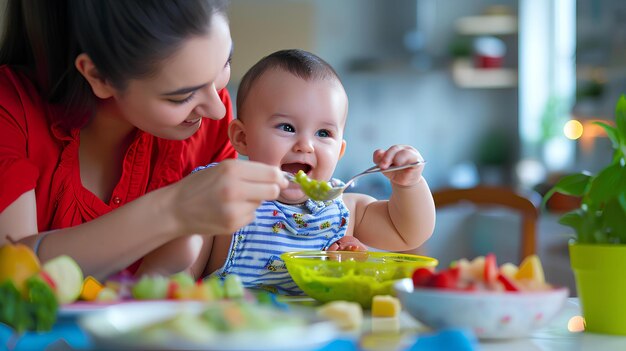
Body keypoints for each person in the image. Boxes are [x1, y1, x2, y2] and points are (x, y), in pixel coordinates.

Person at [0, 0, 289, 281]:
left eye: (224, 64)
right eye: (181, 96)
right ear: (99, 75)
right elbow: (10, 275)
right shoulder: (11, 112)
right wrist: (173, 209)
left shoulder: (207, 122)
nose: (219, 109)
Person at [191, 49, 436, 294]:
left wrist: (409, 184)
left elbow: (408, 232)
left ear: (339, 151)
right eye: (287, 127)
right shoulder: (222, 196)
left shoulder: (342, 209)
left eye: (323, 133)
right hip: (238, 326)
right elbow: (178, 280)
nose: (305, 145)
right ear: (243, 138)